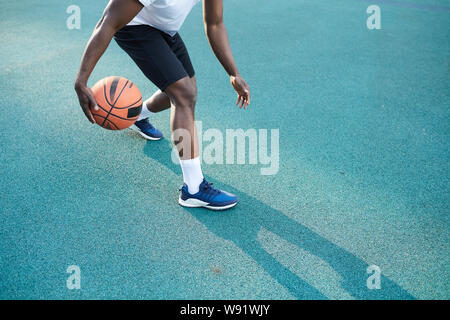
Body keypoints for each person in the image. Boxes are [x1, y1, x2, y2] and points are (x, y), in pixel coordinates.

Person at [74, 0, 250, 210]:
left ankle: (138, 115)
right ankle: (193, 189)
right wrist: (81, 80)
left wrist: (233, 73)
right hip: (133, 27)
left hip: (164, 29)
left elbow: (214, 23)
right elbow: (108, 22)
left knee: (185, 91)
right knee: (184, 95)